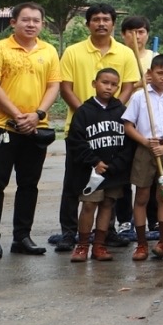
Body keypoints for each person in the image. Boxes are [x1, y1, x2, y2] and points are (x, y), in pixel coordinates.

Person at [0, 3, 64, 259]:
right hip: (3, 127)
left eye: (36, 21)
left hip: (36, 128)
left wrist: (37, 115)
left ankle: (22, 237)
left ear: (42, 25)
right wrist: (17, 116)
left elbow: (53, 87)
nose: (31, 24)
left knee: (29, 185)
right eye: (25, 20)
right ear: (13, 22)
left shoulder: (48, 51)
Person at [53, 4, 142, 250]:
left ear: (113, 24)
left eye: (106, 19)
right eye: (96, 19)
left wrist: (112, 111)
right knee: (74, 183)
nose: (101, 23)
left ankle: (107, 232)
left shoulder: (125, 53)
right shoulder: (72, 52)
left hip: (114, 132)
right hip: (80, 129)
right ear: (88, 24)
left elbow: (128, 86)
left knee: (111, 183)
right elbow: (65, 87)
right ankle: (69, 233)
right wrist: (88, 112)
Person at [122, 53, 163, 260]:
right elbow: (127, 125)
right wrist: (144, 142)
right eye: (160, 73)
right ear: (150, 73)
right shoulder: (140, 96)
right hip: (144, 149)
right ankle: (141, 244)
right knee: (141, 196)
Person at [64, 68, 132, 262]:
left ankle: (100, 246)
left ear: (118, 87)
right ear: (94, 83)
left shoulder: (121, 111)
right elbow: (76, 141)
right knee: (89, 205)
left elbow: (128, 142)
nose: (108, 87)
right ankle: (82, 245)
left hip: (114, 172)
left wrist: (117, 164)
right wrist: (94, 162)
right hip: (91, 172)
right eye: (104, 82)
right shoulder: (84, 112)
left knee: (108, 205)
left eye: (113, 84)